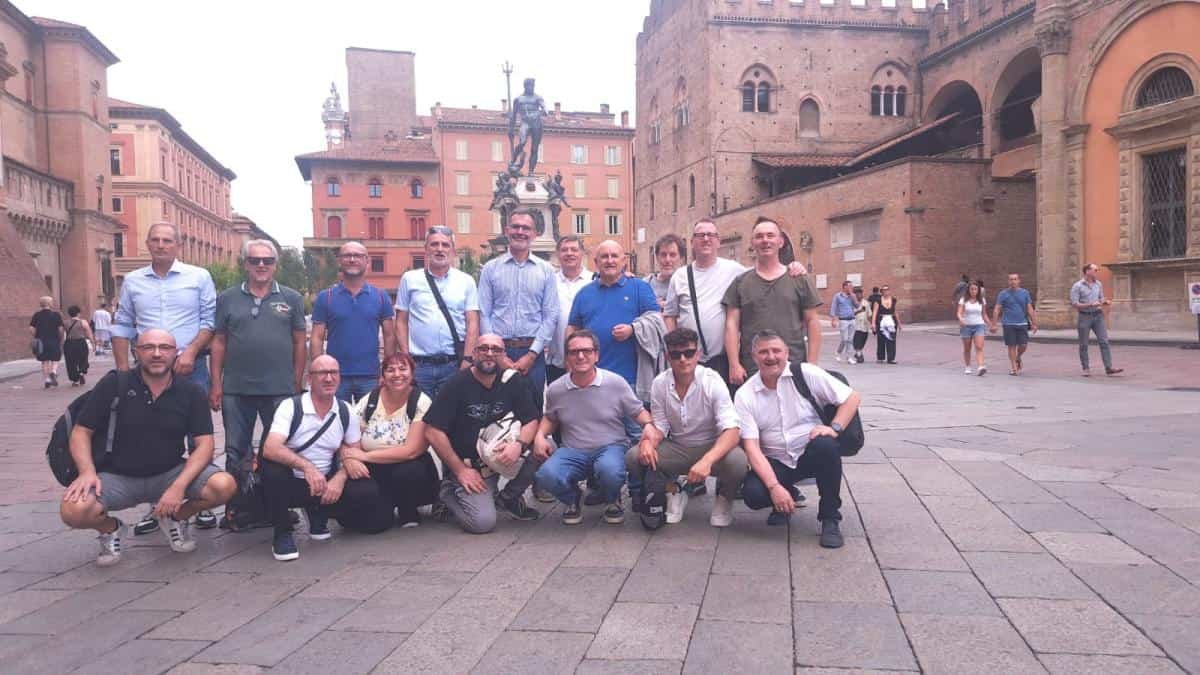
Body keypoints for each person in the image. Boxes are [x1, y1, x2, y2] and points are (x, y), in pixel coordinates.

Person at [58, 329, 236, 566]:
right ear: (136, 352)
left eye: (164, 348)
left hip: (169, 473)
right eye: (148, 347)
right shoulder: (115, 383)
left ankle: (175, 517)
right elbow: (81, 431)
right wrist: (86, 471)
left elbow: (205, 443)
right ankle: (110, 529)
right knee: (73, 511)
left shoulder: (191, 392)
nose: (157, 354)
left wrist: (178, 487)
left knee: (223, 486)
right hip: (116, 476)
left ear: (176, 353)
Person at [111, 222, 218, 533]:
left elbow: (209, 321)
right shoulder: (133, 281)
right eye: (155, 240)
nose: (161, 245)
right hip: (147, 369)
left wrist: (191, 352)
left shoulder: (198, 277)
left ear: (178, 245)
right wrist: (122, 371)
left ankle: (199, 503)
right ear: (147, 244)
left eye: (167, 240)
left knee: (198, 435)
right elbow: (123, 324)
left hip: (190, 366)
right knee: (150, 435)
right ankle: (156, 504)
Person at [209, 240, 307, 530]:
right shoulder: (227, 298)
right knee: (235, 451)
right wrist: (216, 383)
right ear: (245, 264)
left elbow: (299, 342)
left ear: (275, 265)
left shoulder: (291, 298)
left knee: (277, 450)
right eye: (255, 260)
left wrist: (297, 382)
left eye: (267, 260)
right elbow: (219, 342)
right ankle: (238, 509)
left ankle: (274, 507)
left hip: (279, 390)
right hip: (236, 389)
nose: (261, 265)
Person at [734, 330, 859, 548]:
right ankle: (785, 497)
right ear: (754, 357)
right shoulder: (745, 395)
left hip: (811, 453)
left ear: (786, 353)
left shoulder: (806, 373)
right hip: (776, 461)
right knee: (753, 495)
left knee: (826, 445)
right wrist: (774, 487)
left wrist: (835, 428)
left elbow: (852, 397)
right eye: (763, 352)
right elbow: (751, 448)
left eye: (776, 351)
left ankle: (830, 518)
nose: (771, 357)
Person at [261, 355, 392, 561]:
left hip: (326, 482)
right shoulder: (290, 406)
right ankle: (282, 531)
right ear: (310, 379)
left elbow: (354, 452)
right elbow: (270, 447)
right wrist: (307, 468)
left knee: (368, 493)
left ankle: (319, 511)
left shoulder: (345, 410)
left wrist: (339, 478)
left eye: (334, 373)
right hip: (291, 480)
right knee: (272, 471)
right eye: (322, 373)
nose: (329, 378)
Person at [534, 330, 662, 526]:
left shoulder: (615, 382)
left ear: (596, 355)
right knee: (546, 475)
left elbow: (637, 411)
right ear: (567, 357)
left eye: (586, 351)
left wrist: (649, 425)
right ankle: (572, 498)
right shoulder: (556, 389)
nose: (580, 356)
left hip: (610, 447)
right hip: (572, 450)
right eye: (574, 352)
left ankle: (612, 498)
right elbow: (551, 417)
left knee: (610, 470)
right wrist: (540, 436)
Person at [664, 219, 809, 385]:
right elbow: (670, 315)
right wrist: (673, 349)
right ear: (692, 242)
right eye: (700, 235)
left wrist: (793, 266)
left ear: (718, 241)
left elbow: (766, 271)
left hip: (723, 359)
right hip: (688, 358)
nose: (706, 239)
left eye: (710, 235)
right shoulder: (680, 276)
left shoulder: (734, 270)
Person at [423, 334, 543, 533]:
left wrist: (519, 445)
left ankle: (508, 498)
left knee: (546, 447)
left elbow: (531, 420)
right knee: (482, 523)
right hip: (471, 466)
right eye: (484, 348)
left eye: (496, 349)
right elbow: (432, 431)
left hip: (502, 454)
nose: (489, 353)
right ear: (474, 353)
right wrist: (460, 470)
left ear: (503, 355)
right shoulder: (456, 384)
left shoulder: (513, 381)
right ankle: (447, 491)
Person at [628, 328, 745, 527]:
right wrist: (648, 442)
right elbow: (660, 426)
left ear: (698, 354)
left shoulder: (712, 381)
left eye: (689, 353)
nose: (683, 359)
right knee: (634, 456)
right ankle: (674, 490)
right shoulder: (659, 383)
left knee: (738, 461)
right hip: (678, 446)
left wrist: (707, 461)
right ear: (668, 357)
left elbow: (732, 430)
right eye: (676, 355)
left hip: (711, 446)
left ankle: (725, 496)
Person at [724, 216, 823, 385]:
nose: (765, 240)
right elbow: (731, 324)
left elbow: (813, 321)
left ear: (781, 242)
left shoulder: (799, 279)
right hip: (753, 368)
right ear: (752, 243)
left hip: (793, 365)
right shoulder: (740, 283)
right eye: (759, 236)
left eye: (770, 235)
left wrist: (812, 365)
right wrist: (734, 364)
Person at [343, 353, 440, 527]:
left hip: (407, 468)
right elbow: (349, 435)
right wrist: (350, 458)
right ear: (383, 375)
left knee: (410, 471)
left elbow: (411, 451)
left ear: (412, 373)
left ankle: (407, 508)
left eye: (402, 369)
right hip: (374, 469)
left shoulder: (421, 401)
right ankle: (382, 507)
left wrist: (364, 456)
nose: (397, 374)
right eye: (390, 370)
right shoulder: (370, 399)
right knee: (374, 524)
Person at [477, 208, 559, 411]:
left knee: (532, 409)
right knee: (496, 409)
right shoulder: (491, 269)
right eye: (515, 227)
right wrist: (497, 353)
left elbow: (550, 315)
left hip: (532, 352)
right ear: (507, 230)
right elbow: (484, 312)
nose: (520, 232)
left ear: (534, 233)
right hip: (497, 350)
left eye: (526, 228)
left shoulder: (546, 270)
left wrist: (531, 355)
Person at [395, 226, 480, 399]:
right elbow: (401, 321)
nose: (440, 249)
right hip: (419, 365)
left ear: (453, 250)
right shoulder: (409, 279)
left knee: (451, 413)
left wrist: (467, 359)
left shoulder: (466, 281)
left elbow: (472, 322)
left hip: (453, 364)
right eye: (434, 244)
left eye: (445, 245)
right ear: (426, 249)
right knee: (418, 412)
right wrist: (406, 357)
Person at [568, 239, 659, 392]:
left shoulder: (640, 288)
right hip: (592, 379)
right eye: (604, 256)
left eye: (614, 256)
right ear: (596, 262)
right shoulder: (584, 294)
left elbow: (657, 322)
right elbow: (573, 328)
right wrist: (569, 362)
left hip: (632, 380)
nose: (610, 261)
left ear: (624, 261)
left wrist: (633, 329)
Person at [311, 241, 397, 402]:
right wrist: (318, 371)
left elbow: (389, 336)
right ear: (339, 261)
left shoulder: (380, 296)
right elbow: (316, 337)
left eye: (357, 255)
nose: (352, 259)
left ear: (367, 261)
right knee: (335, 417)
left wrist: (388, 371)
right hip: (334, 376)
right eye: (347, 255)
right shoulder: (325, 297)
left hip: (371, 376)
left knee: (369, 418)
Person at [546, 236, 590, 386]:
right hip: (556, 360)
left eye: (574, 249)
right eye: (564, 250)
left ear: (582, 253)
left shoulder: (595, 280)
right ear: (557, 254)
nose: (569, 253)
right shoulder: (549, 282)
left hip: (588, 360)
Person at [1070, 263, 1123, 377]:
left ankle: (1108, 367)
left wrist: (1105, 301)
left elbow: (1101, 298)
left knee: (1104, 341)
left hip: (1098, 316)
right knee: (1084, 344)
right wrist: (1090, 304)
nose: (1097, 272)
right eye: (1095, 270)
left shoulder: (1098, 284)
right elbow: (1075, 304)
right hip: (1084, 316)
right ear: (1087, 271)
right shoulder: (1077, 286)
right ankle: (1086, 368)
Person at [992, 273, 1038, 376]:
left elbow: (1029, 308)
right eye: (1011, 279)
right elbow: (997, 308)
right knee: (1011, 345)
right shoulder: (1003, 294)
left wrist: (1034, 323)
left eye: (1015, 279)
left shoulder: (1025, 293)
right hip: (1008, 323)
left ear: (1019, 281)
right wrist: (994, 324)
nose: (1013, 281)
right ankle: (1014, 368)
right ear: (1008, 281)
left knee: (1023, 345)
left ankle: (1018, 357)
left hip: (1022, 322)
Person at [957, 280, 994, 375]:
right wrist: (961, 319)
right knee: (967, 348)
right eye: (971, 289)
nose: (973, 291)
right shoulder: (963, 300)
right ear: (968, 290)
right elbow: (959, 312)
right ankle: (968, 366)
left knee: (979, 346)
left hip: (979, 325)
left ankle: (981, 366)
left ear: (978, 290)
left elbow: (984, 314)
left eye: (975, 289)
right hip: (966, 326)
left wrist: (990, 324)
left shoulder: (982, 300)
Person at [30, 297, 64, 388]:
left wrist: (37, 335)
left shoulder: (37, 315)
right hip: (54, 340)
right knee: (55, 358)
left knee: (44, 361)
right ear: (49, 303)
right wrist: (61, 338)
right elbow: (60, 329)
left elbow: (31, 328)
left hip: (41, 341)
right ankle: (53, 372)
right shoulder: (56, 315)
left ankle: (47, 380)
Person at [646, 233, 684, 308]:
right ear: (657, 257)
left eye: (672, 255)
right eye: (663, 255)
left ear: (681, 258)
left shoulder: (687, 284)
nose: (667, 260)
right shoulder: (646, 284)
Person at [63, 306, 94, 386]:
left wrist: (61, 344)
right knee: (83, 359)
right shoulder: (83, 322)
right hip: (81, 342)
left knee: (70, 362)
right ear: (78, 313)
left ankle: (75, 380)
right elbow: (89, 333)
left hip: (69, 343)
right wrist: (93, 343)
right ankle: (81, 372)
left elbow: (62, 334)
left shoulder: (65, 323)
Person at [871, 284, 900, 364]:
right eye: (884, 290)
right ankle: (880, 357)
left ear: (889, 291)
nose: (886, 292)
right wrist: (873, 323)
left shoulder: (893, 300)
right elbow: (875, 312)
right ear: (882, 292)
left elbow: (895, 311)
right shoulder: (878, 300)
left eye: (887, 290)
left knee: (891, 339)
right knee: (881, 339)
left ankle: (891, 358)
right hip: (881, 320)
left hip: (891, 321)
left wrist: (899, 323)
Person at [829, 280, 857, 364]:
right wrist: (833, 319)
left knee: (850, 339)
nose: (851, 288)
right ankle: (838, 352)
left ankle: (849, 357)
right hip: (843, 320)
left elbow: (857, 306)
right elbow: (834, 307)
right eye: (850, 286)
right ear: (845, 287)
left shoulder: (852, 296)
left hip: (852, 319)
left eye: (852, 286)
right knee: (844, 339)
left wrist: (854, 298)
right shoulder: (838, 296)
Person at [851, 287, 871, 365]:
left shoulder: (866, 303)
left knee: (863, 340)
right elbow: (850, 313)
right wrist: (859, 311)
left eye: (860, 293)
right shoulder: (851, 303)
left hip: (864, 326)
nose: (859, 295)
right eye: (857, 293)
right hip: (855, 326)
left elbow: (869, 314)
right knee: (857, 341)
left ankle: (858, 353)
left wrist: (872, 324)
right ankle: (859, 355)